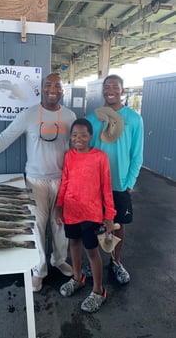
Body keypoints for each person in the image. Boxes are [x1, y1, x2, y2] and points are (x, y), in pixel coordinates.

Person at [0, 72, 77, 292]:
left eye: (57, 86)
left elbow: (77, 149)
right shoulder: (29, 115)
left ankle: (59, 260)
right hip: (35, 181)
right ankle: (38, 269)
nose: (53, 89)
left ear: (62, 90)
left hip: (62, 180)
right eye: (48, 85)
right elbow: (4, 138)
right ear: (42, 89)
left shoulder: (70, 116)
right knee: (37, 227)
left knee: (60, 225)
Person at [86, 74, 144, 285]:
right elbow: (86, 151)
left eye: (115, 86)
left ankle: (116, 263)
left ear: (122, 90)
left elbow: (137, 155)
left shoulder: (134, 119)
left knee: (118, 226)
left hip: (119, 184)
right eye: (107, 86)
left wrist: (129, 183)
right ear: (103, 90)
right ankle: (93, 262)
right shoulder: (93, 119)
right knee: (92, 224)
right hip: (94, 185)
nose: (110, 90)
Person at [55, 118, 116, 313]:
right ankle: (77, 278)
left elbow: (106, 187)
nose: (78, 139)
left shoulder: (100, 157)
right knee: (73, 244)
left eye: (83, 135)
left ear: (91, 136)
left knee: (92, 251)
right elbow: (64, 182)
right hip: (71, 211)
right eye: (74, 135)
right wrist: (59, 206)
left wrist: (109, 215)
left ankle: (98, 291)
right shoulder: (69, 156)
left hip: (92, 212)